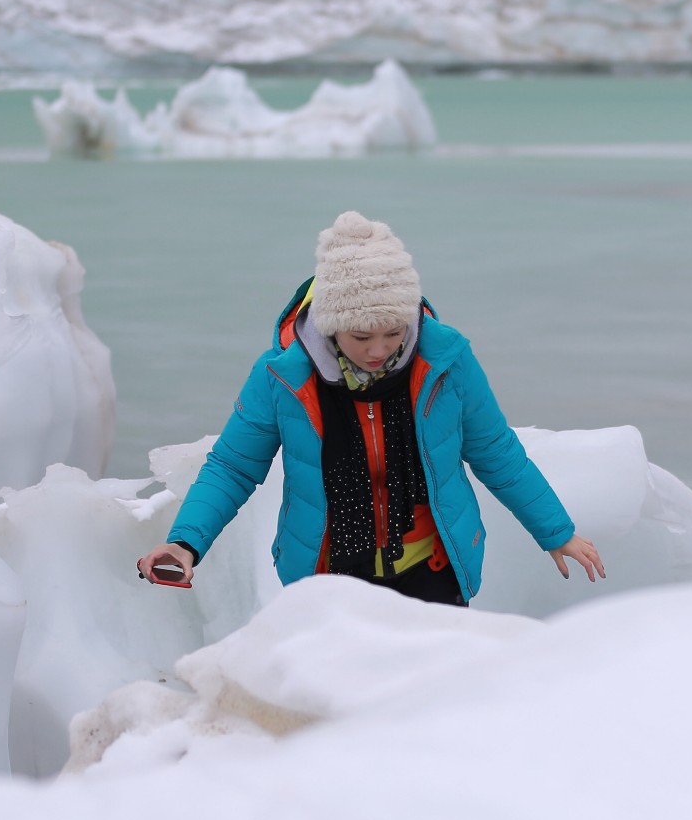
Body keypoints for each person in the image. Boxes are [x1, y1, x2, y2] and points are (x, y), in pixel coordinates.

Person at [137, 211, 604, 604]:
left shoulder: (446, 360)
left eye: (393, 332)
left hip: (433, 573)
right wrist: (184, 543)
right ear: (332, 326)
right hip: (329, 579)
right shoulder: (282, 375)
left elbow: (496, 453)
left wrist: (556, 531)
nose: (379, 350)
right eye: (361, 336)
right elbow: (233, 467)